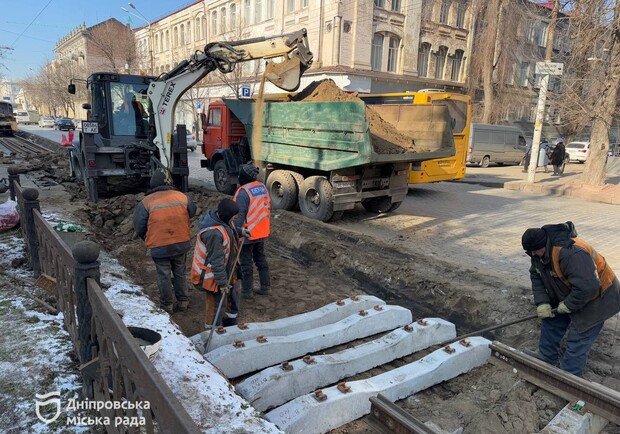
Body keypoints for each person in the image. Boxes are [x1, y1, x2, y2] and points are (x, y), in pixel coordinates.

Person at [521, 222, 620, 377]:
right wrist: (543, 303)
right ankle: (547, 357)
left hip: (599, 296)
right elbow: (537, 276)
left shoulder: (570, 253)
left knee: (578, 337)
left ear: (544, 244)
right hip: (573, 290)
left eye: (535, 251)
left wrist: (568, 305)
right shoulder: (538, 253)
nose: (533, 255)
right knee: (551, 319)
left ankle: (570, 377)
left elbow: (589, 286)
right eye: (530, 252)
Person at [133, 169, 196, 314]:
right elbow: (191, 212)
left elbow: (139, 225)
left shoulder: (147, 202)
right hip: (181, 242)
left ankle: (167, 305)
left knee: (164, 275)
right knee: (180, 272)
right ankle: (183, 301)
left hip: (159, 245)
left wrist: (147, 236)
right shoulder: (182, 197)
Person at [192, 198, 242, 328]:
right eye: (233, 217)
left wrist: (241, 232)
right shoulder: (213, 234)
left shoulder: (222, 220)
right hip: (211, 275)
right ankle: (211, 329)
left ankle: (229, 322)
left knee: (233, 295)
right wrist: (222, 283)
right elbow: (217, 261)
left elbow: (229, 230)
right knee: (216, 304)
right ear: (226, 216)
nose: (235, 219)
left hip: (228, 269)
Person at [233, 163, 272, 299]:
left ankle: (247, 291)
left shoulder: (243, 192)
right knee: (260, 259)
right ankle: (266, 287)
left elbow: (239, 214)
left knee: (245, 263)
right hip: (261, 231)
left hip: (247, 233)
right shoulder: (262, 187)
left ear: (243, 177)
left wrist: (236, 231)